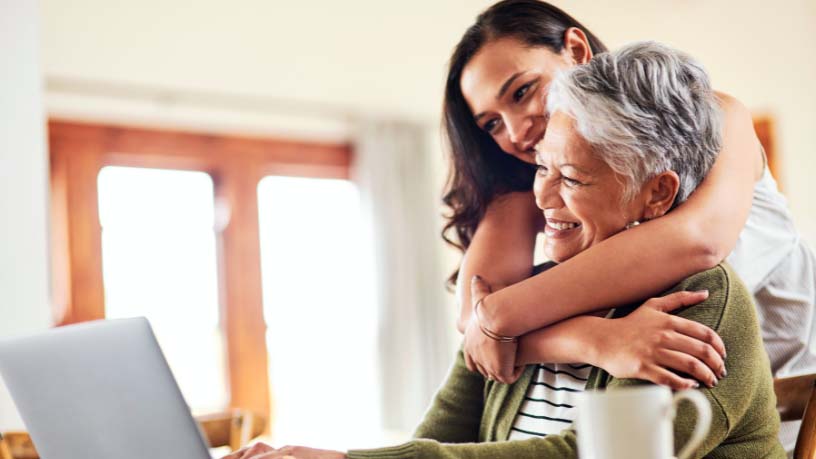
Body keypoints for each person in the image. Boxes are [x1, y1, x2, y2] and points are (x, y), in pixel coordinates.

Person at [222, 41, 785, 459]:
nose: (542, 196)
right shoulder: (535, 295)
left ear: (656, 193)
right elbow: (440, 434)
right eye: (541, 167)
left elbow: (587, 455)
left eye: (571, 178)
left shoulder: (701, 305)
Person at [445, 0, 814, 451]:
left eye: (522, 92)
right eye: (492, 124)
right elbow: (475, 321)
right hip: (665, 393)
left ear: (576, 50)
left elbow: (696, 242)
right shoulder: (533, 182)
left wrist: (500, 317)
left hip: (785, 397)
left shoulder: (711, 119)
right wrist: (595, 341)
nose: (517, 131)